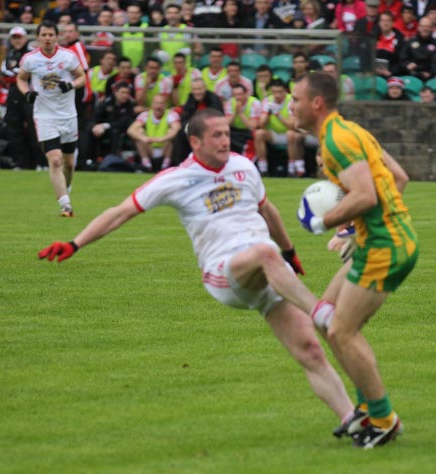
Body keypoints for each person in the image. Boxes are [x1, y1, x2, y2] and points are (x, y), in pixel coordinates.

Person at [39, 108, 356, 439]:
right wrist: (75, 244)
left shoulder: (243, 165)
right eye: (216, 135)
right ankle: (323, 314)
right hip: (224, 273)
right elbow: (120, 213)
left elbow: (267, 209)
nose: (225, 140)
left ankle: (352, 417)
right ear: (195, 141)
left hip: (268, 269)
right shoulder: (175, 178)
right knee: (266, 254)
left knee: (309, 349)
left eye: (226, 133)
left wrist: (289, 252)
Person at [292, 71, 419, 448]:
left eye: (296, 99)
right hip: (380, 240)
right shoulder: (351, 131)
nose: (291, 106)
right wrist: (355, 231)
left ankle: (383, 419)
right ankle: (367, 405)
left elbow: (365, 195)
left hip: (386, 246)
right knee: (325, 312)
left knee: (341, 331)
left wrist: (323, 221)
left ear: (316, 103)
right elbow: (398, 176)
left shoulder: (336, 141)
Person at [17, 20, 86, 217]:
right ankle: (66, 205)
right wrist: (26, 92)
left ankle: (66, 187)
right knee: (55, 160)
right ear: (38, 37)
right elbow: (21, 78)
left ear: (57, 37)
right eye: (44, 35)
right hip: (45, 116)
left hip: (68, 115)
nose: (47, 39)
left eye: (51, 35)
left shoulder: (68, 56)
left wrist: (71, 85)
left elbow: (82, 77)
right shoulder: (30, 59)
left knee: (69, 163)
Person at [1, 26, 45, 170]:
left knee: (35, 130)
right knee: (15, 129)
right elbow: (5, 71)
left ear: (25, 38)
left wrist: (17, 73)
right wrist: (19, 73)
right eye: (14, 38)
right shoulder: (10, 53)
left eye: (19, 37)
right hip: (14, 95)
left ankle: (40, 162)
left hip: (30, 94)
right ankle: (21, 163)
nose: (17, 40)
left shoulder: (32, 54)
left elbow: (29, 71)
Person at [173, 77, 223, 163]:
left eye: (199, 89)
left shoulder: (214, 99)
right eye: (195, 89)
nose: (197, 92)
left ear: (205, 88)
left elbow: (217, 117)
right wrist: (188, 128)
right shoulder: (191, 98)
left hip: (212, 129)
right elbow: (185, 118)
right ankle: (180, 164)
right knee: (180, 134)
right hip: (195, 129)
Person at [127, 93, 181, 171]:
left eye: (161, 103)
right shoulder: (145, 115)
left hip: (164, 147)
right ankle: (146, 163)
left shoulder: (171, 114)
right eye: (156, 103)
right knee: (139, 131)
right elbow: (131, 130)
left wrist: (162, 139)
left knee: (171, 132)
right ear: (152, 104)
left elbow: (177, 129)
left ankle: (166, 163)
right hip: (150, 147)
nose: (158, 106)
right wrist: (143, 138)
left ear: (165, 105)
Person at [89, 81, 136, 166]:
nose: (125, 95)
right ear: (116, 92)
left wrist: (105, 126)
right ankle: (91, 160)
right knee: (89, 132)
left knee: (115, 132)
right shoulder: (106, 101)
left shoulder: (130, 105)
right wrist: (95, 126)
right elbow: (95, 116)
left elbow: (124, 122)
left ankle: (113, 159)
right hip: (101, 129)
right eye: (122, 92)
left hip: (119, 130)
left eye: (127, 93)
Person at [254, 78, 293, 176]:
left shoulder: (291, 100)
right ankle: (263, 169)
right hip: (273, 134)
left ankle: (293, 170)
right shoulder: (267, 101)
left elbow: (292, 125)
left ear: (285, 91)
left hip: (288, 133)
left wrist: (278, 114)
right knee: (259, 134)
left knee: (292, 134)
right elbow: (261, 125)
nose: (277, 95)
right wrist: (268, 113)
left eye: (280, 92)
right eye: (274, 92)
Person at [224, 83, 261, 159]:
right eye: (235, 95)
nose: (238, 97)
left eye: (240, 94)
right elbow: (226, 124)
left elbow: (253, 127)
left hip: (248, 132)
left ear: (245, 94)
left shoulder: (254, 103)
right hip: (235, 131)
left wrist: (240, 113)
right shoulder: (230, 103)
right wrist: (235, 113)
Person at [399, 16, 436, 81]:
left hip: (431, 78)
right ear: (418, 27)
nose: (425, 29)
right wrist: (407, 65)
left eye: (428, 26)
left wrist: (431, 73)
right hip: (411, 76)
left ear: (432, 28)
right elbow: (402, 60)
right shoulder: (410, 42)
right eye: (423, 26)